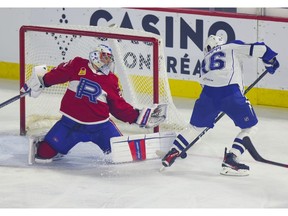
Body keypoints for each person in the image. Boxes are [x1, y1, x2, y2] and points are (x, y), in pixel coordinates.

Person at [23, 44, 167, 163]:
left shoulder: (111, 80)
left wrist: (136, 116)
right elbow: (59, 74)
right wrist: (42, 81)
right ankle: (54, 143)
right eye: (104, 56)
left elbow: (118, 106)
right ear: (95, 55)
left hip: (100, 128)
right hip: (70, 125)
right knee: (43, 153)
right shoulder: (77, 64)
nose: (107, 61)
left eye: (109, 58)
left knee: (122, 156)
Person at [161, 35, 280, 176]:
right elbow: (261, 48)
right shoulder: (231, 46)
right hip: (230, 93)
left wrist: (217, 105)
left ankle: (173, 152)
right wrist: (270, 61)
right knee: (250, 127)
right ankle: (232, 158)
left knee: (195, 128)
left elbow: (205, 84)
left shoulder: (204, 61)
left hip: (207, 96)